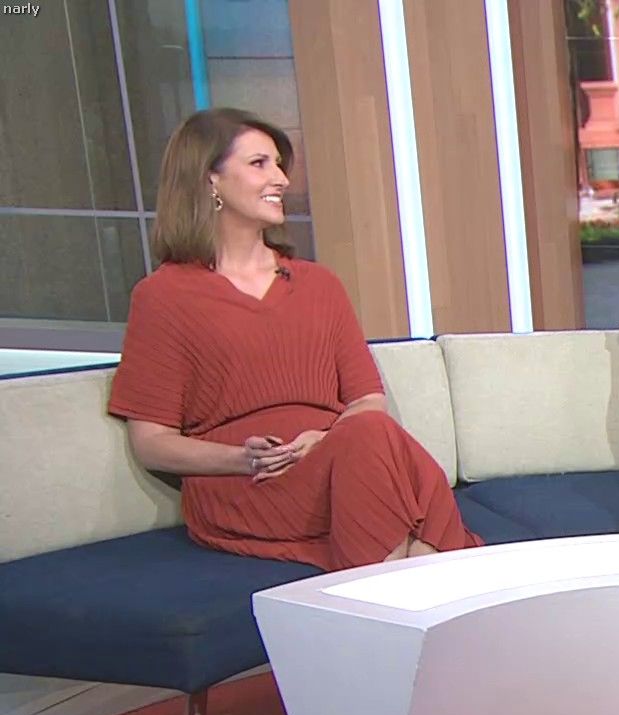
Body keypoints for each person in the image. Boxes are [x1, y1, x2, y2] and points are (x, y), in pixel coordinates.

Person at [107, 108, 481, 572]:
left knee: (371, 433)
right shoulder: (163, 296)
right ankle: (421, 572)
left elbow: (366, 400)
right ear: (210, 180)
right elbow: (152, 442)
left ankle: (391, 581)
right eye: (259, 164)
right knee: (392, 476)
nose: (281, 180)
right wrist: (244, 460)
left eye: (280, 166)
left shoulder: (318, 284)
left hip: (337, 465)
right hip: (246, 486)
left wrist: (324, 439)